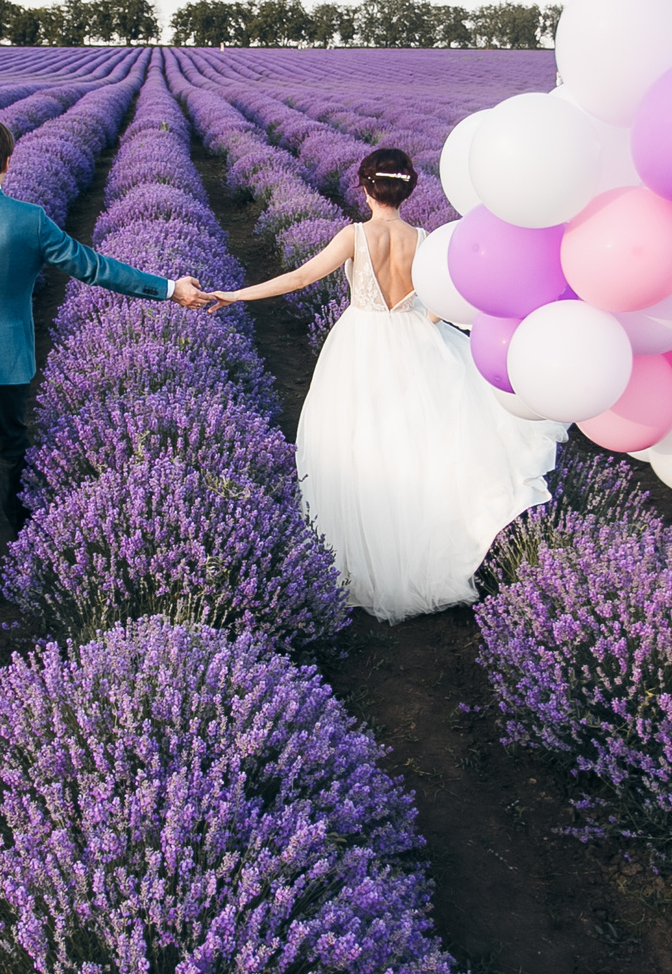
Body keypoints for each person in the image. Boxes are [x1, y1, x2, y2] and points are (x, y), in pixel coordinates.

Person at [204, 148, 564, 620]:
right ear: (408, 189)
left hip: (363, 343)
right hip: (418, 339)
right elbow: (442, 302)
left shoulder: (355, 235)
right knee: (421, 443)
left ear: (365, 186)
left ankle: (365, 558)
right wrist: (426, 316)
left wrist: (234, 294)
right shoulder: (426, 238)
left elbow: (299, 278)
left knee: (363, 444)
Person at [0, 117, 210, 605]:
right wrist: (169, 289)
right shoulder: (29, 219)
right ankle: (23, 526)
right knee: (13, 443)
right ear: (8, 161)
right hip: (10, 358)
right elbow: (93, 267)